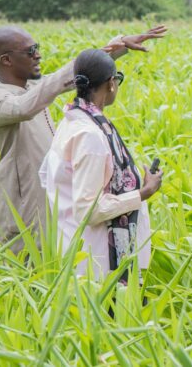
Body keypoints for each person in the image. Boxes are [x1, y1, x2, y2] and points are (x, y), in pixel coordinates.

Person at [0, 25, 166, 253]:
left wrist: (115, 49)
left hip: (51, 196)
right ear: (7, 60)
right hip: (22, 200)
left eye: (37, 48)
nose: (38, 55)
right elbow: (26, 105)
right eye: (30, 51)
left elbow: (72, 79)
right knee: (30, 270)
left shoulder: (33, 86)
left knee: (56, 264)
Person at [39, 49, 163, 282]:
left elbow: (47, 177)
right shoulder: (91, 135)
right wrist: (143, 193)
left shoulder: (71, 121)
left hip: (73, 244)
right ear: (111, 84)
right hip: (98, 262)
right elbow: (89, 210)